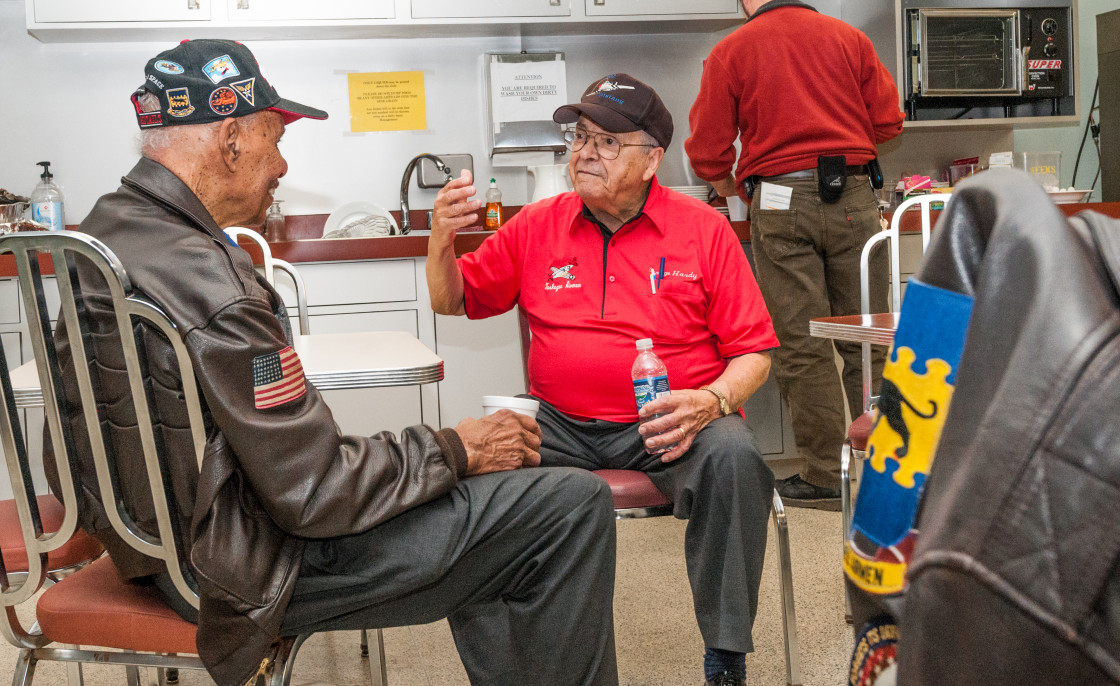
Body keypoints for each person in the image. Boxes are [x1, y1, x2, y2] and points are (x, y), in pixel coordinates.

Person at [45, 39, 619, 686]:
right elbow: (314, 493)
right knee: (568, 504)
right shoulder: (214, 286)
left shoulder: (103, 233)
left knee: (500, 530)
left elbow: (64, 449)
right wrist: (457, 449)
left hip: (159, 547)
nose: (282, 165)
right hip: (253, 568)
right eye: (274, 140)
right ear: (231, 139)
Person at [427, 73, 779, 686]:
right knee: (471, 473)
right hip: (559, 423)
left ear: (652, 161)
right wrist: (440, 241)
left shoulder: (703, 229)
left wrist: (712, 400)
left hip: (672, 419)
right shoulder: (538, 223)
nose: (584, 152)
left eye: (608, 142)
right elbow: (452, 299)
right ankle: (509, 672)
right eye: (580, 137)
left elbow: (755, 354)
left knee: (736, 458)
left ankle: (725, 659)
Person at [684, 0, 906, 510]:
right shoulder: (849, 38)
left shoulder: (731, 50)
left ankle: (828, 475)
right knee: (868, 335)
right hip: (854, 195)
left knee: (802, 343)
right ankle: (891, 466)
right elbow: (890, 123)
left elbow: (708, 152)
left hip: (780, 199)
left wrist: (732, 188)